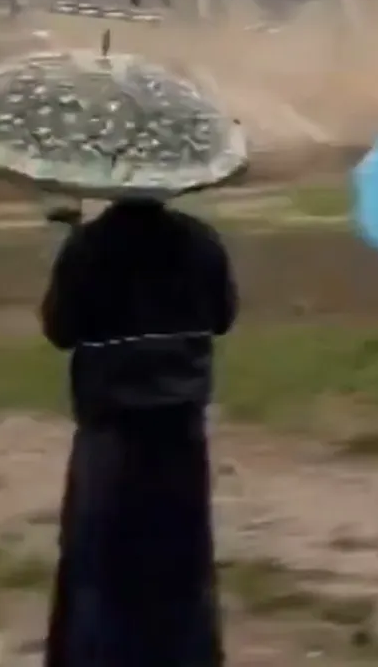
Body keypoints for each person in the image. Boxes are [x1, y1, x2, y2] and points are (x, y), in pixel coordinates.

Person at [41, 196, 238, 667]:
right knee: (179, 553)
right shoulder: (199, 239)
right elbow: (223, 317)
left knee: (103, 554)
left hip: (111, 427)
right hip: (179, 427)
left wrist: (79, 253)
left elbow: (61, 329)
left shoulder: (90, 245)